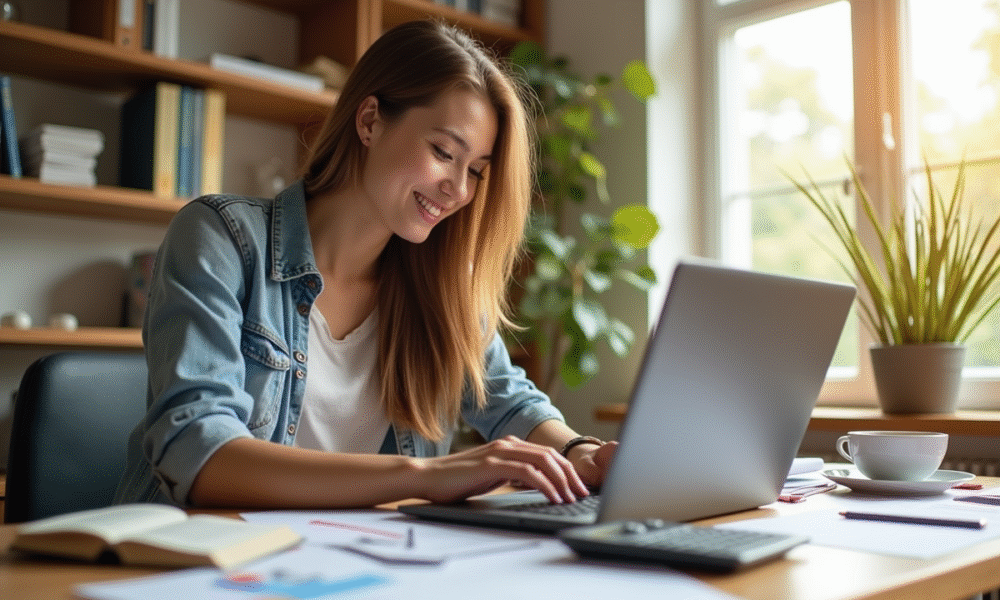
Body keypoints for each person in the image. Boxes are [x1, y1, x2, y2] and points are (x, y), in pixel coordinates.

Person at [115, 20, 616, 510]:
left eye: (477, 172)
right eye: (444, 152)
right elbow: (201, 455)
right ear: (370, 120)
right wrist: (425, 476)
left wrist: (580, 452)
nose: (459, 190)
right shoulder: (221, 239)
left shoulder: (441, 282)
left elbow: (507, 401)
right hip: (200, 562)